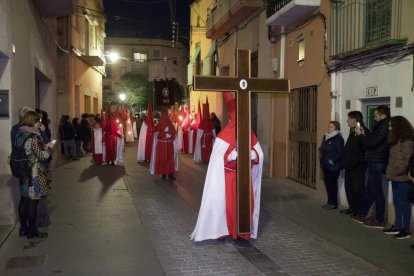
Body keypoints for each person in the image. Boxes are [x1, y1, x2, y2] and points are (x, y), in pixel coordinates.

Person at [190, 92, 264, 242]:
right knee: (229, 207)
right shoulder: (224, 135)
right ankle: (227, 230)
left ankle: (243, 233)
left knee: (246, 206)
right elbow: (217, 161)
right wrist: (229, 157)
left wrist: (254, 155)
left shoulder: (250, 133)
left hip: (244, 178)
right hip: (229, 178)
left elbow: (259, 155)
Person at [15, 111, 55, 239]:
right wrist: (49, 147)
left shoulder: (20, 134)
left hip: (23, 172)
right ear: (33, 121)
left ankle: (23, 229)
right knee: (33, 202)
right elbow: (42, 155)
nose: (39, 124)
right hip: (34, 174)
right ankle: (32, 231)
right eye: (38, 121)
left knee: (24, 200)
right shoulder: (33, 138)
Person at [356, 105, 390, 228]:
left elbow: (371, 143)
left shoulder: (384, 126)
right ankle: (365, 213)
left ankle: (380, 219)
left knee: (376, 191)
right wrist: (365, 134)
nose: (375, 118)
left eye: (376, 116)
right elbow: (372, 140)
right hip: (374, 160)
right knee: (370, 189)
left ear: (383, 115)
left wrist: (361, 135)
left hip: (377, 161)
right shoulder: (381, 126)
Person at [382, 116, 414, 239]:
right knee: (396, 202)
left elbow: (407, 161)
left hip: (403, 177)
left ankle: (405, 229)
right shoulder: (395, 140)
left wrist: (398, 172)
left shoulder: (407, 141)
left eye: (391, 125)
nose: (389, 127)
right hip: (394, 176)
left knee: (404, 203)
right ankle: (397, 225)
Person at [342, 111, 368, 220]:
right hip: (349, 166)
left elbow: (364, 148)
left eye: (348, 119)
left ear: (354, 120)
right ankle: (352, 208)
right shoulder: (352, 131)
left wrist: (357, 162)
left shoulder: (362, 131)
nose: (346, 121)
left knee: (358, 190)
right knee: (349, 188)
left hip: (357, 167)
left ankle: (360, 211)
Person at [319, 121, 344, 210]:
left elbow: (340, 152)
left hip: (333, 167)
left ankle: (333, 203)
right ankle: (329, 202)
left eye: (331, 127)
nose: (329, 128)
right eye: (328, 126)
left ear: (336, 128)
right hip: (325, 165)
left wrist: (332, 160)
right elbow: (323, 149)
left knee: (332, 184)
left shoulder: (338, 138)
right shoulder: (326, 137)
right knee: (328, 184)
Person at [151, 107, 177, 180]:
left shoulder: (170, 123)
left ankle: (170, 173)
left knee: (170, 159)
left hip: (169, 144)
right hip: (162, 145)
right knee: (163, 159)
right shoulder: (159, 124)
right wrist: (164, 134)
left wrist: (170, 135)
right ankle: (164, 173)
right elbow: (156, 133)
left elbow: (174, 133)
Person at [194, 97, 215, 163]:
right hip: (209, 138)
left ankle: (205, 159)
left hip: (205, 138)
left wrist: (198, 138)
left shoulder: (203, 121)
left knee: (205, 149)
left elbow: (200, 130)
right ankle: (208, 159)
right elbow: (213, 130)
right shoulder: (210, 121)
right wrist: (214, 137)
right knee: (208, 149)